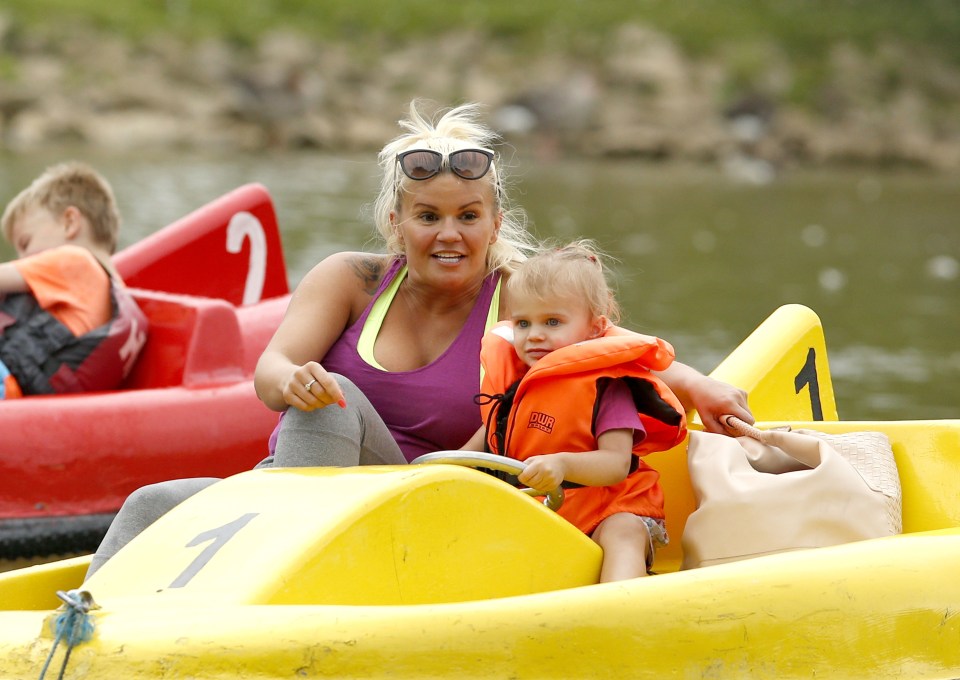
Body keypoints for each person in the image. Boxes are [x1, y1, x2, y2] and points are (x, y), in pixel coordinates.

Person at [84, 100, 752, 579]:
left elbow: (622, 348)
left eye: (467, 216)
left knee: (337, 393)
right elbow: (271, 370)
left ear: (494, 223)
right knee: (149, 504)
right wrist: (291, 381)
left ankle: (268, 576)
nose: (448, 234)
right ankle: (73, 630)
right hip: (304, 502)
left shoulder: (521, 303)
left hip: (438, 508)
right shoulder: (350, 279)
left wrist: (704, 387)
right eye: (428, 216)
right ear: (397, 220)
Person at [461, 240, 686, 581]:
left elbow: (615, 464)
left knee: (623, 531)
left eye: (552, 322)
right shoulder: (515, 386)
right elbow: (482, 444)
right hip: (544, 512)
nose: (534, 335)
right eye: (523, 323)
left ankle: (621, 609)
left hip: (609, 509)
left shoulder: (606, 386)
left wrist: (562, 464)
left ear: (595, 329)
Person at [0, 161, 147, 399]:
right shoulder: (114, 290)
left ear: (70, 222)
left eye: (25, 244)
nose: (23, 260)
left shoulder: (75, 262)